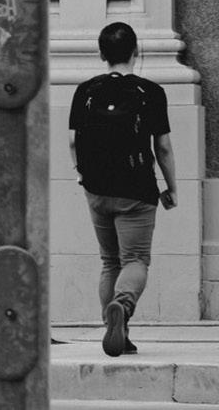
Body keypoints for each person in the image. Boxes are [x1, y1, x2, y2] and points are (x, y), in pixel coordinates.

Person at [69, 21, 177, 357]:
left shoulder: (85, 91)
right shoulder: (151, 92)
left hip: (97, 190)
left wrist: (80, 174)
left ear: (101, 54)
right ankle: (123, 304)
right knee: (136, 259)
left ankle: (117, 331)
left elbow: (72, 141)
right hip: (136, 190)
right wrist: (171, 187)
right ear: (136, 51)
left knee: (109, 261)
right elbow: (162, 147)